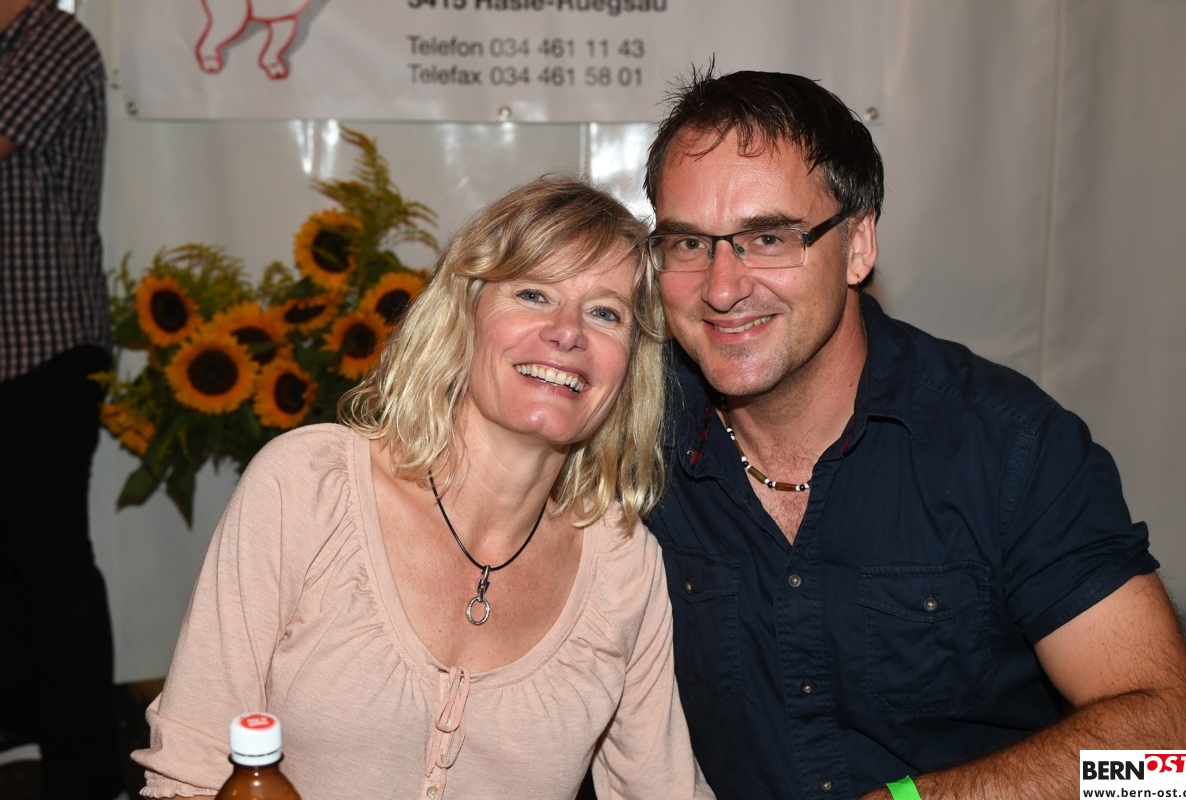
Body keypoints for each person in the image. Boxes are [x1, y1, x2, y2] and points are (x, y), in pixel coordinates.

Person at [642, 68, 1186, 800]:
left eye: (769, 237)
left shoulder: (1007, 449)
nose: (721, 288)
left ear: (858, 244)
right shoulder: (628, 438)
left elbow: (1173, 762)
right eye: (689, 243)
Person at [132, 176, 714, 800]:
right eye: (533, 294)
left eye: (605, 313)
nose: (567, 331)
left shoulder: (622, 567)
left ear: (630, 365)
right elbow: (190, 770)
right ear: (465, 316)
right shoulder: (308, 487)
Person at [0, 1, 124, 798]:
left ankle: (86, 768)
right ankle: (22, 727)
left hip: (43, 343)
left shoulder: (51, 38)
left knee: (49, 559)